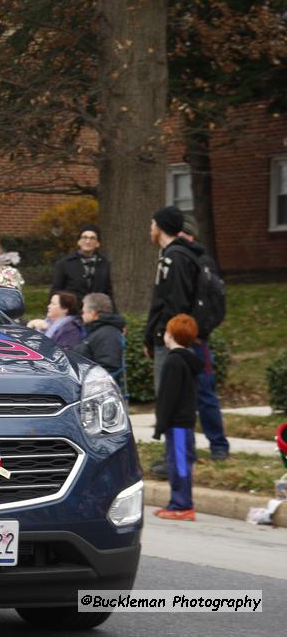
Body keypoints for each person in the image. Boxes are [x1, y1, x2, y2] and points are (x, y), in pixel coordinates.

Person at [178, 214, 230, 461]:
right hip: (176, 340)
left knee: (205, 394)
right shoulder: (177, 259)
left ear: (188, 234)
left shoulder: (202, 262)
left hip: (197, 341)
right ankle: (184, 450)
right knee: (179, 396)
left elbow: (212, 304)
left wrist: (197, 332)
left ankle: (219, 446)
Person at [152, 313, 204, 521]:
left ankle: (182, 505)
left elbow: (168, 397)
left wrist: (160, 425)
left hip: (178, 423)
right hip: (184, 422)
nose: (164, 334)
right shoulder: (188, 359)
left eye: (166, 331)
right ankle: (177, 503)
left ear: (172, 335)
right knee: (180, 463)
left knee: (180, 464)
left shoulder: (174, 361)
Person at [143, 206, 197, 390]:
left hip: (170, 338)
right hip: (167, 336)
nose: (150, 229)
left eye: (152, 224)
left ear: (160, 227)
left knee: (168, 396)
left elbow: (176, 300)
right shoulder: (172, 255)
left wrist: (163, 334)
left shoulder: (175, 258)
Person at [49, 224, 114, 304]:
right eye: (84, 237)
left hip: (96, 313)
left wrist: (114, 314)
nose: (88, 241)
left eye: (92, 238)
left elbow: (108, 292)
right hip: (73, 312)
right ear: (78, 242)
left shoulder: (104, 264)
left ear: (98, 243)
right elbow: (56, 291)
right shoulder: (64, 263)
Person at [73, 292, 126, 374]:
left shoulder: (107, 334)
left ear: (93, 313)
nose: (81, 315)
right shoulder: (96, 331)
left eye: (83, 312)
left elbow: (108, 367)